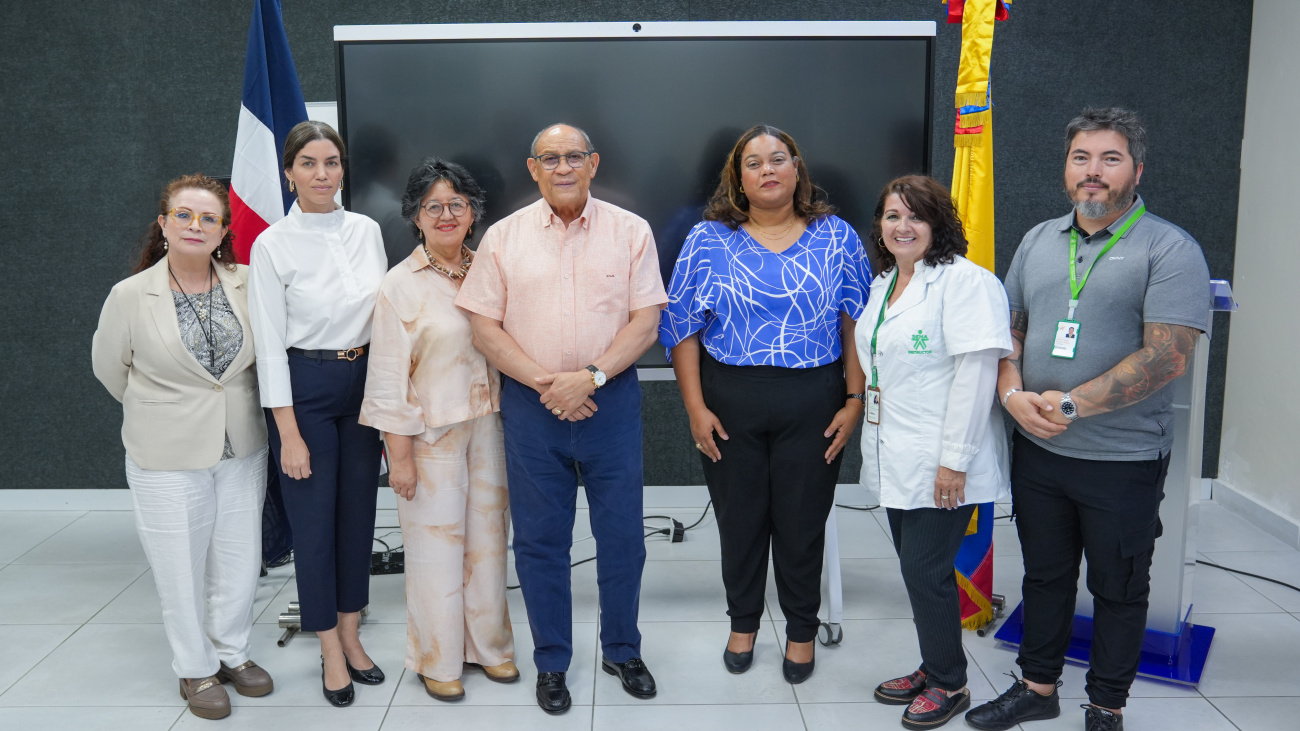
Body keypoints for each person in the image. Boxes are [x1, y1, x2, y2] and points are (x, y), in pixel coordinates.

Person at [966, 108, 1210, 731]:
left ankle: (1106, 705)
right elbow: (1008, 329)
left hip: (1122, 458)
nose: (1093, 172)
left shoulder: (1170, 247)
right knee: (1046, 576)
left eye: (1109, 158)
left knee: (1118, 587)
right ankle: (1037, 687)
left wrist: (1072, 404)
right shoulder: (1039, 240)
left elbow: (1167, 355)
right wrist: (1013, 391)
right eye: (1082, 158)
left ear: (1136, 170)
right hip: (1040, 452)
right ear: (1066, 167)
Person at [455, 123, 667, 714]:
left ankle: (622, 649)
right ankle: (552, 661)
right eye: (550, 157)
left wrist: (590, 377)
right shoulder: (502, 237)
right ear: (533, 168)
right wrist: (548, 384)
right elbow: (483, 326)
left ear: (594, 163)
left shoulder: (631, 230)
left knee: (623, 539)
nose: (563, 166)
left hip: (611, 403)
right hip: (533, 407)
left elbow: (646, 321)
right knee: (541, 544)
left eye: (574, 155)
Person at [659, 124, 870, 684]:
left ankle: (802, 630)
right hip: (730, 399)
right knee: (739, 520)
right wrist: (694, 408)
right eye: (754, 163)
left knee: (803, 522)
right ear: (738, 178)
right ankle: (743, 623)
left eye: (779, 159)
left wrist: (855, 398)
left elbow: (856, 324)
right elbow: (682, 329)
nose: (768, 170)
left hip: (816, 397)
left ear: (797, 169)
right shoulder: (708, 239)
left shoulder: (837, 237)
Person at [92, 174, 273, 720]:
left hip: (241, 445)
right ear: (164, 224)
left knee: (239, 559)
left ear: (223, 231)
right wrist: (164, 411)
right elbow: (109, 370)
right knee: (179, 565)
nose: (197, 226)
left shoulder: (247, 282)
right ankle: (195, 668)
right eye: (185, 216)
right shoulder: (130, 295)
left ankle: (232, 653)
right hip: (164, 453)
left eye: (210, 218)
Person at [854, 176, 1011, 729]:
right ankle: (932, 664)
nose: (903, 226)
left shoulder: (966, 284)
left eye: (916, 216)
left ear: (939, 223)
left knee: (925, 569)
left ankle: (950, 682)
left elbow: (975, 376)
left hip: (944, 461)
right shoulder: (884, 284)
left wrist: (955, 460)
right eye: (892, 216)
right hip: (896, 453)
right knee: (919, 570)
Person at [359, 157, 516, 702]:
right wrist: (397, 458)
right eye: (433, 207)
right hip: (429, 437)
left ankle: (490, 649)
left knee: (489, 546)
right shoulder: (399, 286)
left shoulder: (491, 269)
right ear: (415, 217)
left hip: (489, 429)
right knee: (435, 554)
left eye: (457, 204)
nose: (446, 214)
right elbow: (385, 382)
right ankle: (438, 660)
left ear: (472, 213)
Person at [247, 120, 389, 708]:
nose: (323, 173)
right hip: (304, 387)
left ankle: (353, 635)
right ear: (289, 173)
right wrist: (288, 434)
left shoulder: (367, 230)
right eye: (309, 163)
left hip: (365, 381)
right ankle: (328, 645)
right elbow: (270, 343)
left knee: (359, 517)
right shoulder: (272, 243)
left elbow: (384, 316)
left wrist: (387, 405)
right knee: (314, 524)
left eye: (332, 162)